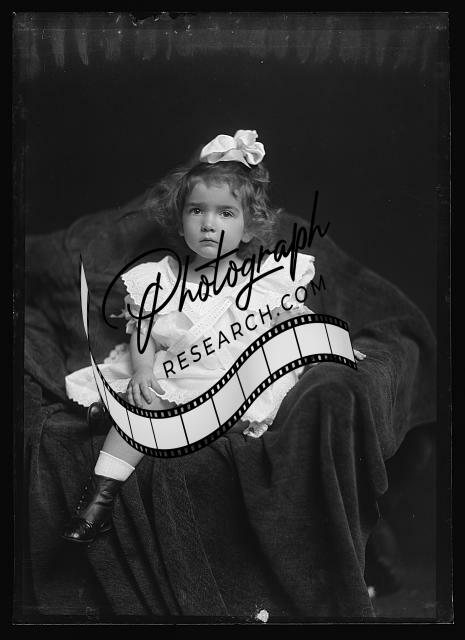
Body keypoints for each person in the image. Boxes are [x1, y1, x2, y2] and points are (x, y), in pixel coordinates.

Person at [62, 129, 366, 544]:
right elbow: (143, 332)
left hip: (234, 383)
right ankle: (99, 501)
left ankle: (125, 418)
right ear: (180, 220)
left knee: (214, 414)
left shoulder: (263, 278)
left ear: (248, 227)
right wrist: (144, 369)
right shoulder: (160, 277)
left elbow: (294, 321)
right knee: (144, 404)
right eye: (197, 211)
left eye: (225, 213)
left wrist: (330, 345)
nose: (208, 224)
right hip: (177, 374)